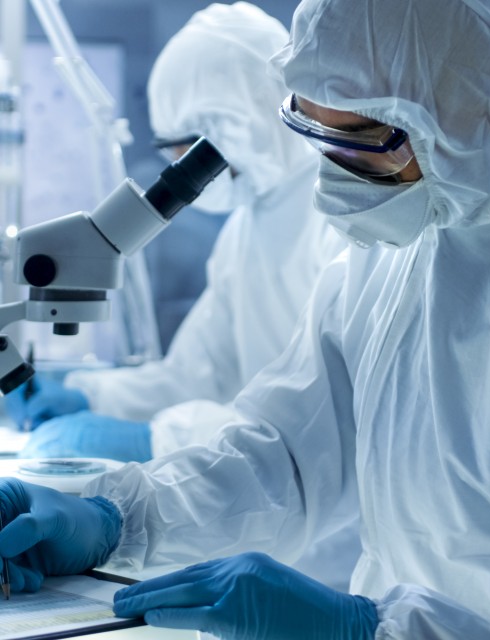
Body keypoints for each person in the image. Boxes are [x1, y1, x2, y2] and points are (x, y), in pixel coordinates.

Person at [2, 0, 490, 638]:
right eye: (315, 138)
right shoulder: (405, 241)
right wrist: (116, 517)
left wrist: (363, 629)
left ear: (472, 117)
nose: (333, 189)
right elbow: (288, 452)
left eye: (357, 148)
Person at [4, 2, 359, 593]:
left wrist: (151, 440)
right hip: (262, 519)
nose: (172, 169)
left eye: (178, 151)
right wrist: (86, 396)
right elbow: (197, 374)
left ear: (225, 131)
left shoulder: (345, 221)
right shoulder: (248, 230)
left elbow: (324, 437)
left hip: (333, 558)